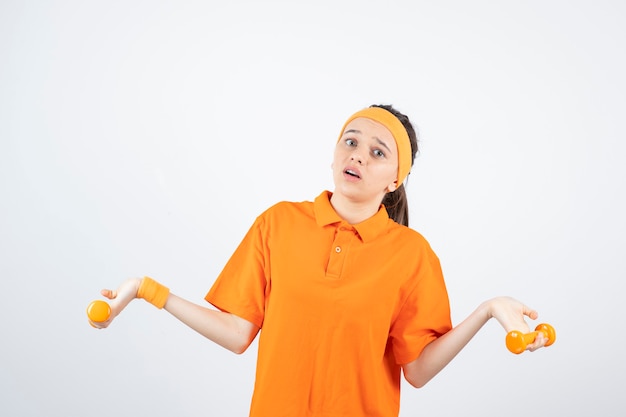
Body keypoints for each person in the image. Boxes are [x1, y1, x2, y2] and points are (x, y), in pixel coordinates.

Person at [91, 104, 548, 417]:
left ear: (395, 180)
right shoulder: (278, 224)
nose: (358, 156)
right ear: (333, 155)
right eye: (350, 142)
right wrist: (148, 290)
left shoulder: (411, 255)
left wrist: (488, 311)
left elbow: (419, 371)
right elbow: (236, 333)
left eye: (377, 152)